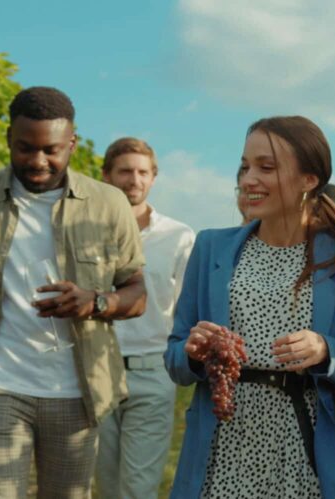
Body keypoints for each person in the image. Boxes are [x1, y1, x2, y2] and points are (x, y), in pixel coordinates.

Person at [0, 87, 147, 498]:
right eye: (25, 148)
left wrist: (96, 302)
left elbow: (136, 292)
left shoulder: (109, 204)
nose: (38, 161)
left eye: (51, 150)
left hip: (75, 395)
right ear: (9, 138)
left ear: (72, 145)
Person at [165, 116, 335, 499]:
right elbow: (175, 358)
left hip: (303, 445)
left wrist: (326, 350)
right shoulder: (211, 247)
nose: (248, 179)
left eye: (266, 167)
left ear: (309, 179)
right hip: (222, 441)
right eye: (245, 166)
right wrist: (193, 353)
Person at [94, 137, 195, 498]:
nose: (133, 180)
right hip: (95, 370)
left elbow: (188, 309)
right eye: (124, 171)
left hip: (152, 372)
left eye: (142, 172)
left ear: (153, 178)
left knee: (138, 488)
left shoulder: (179, 237)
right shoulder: (84, 232)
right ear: (106, 176)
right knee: (105, 487)